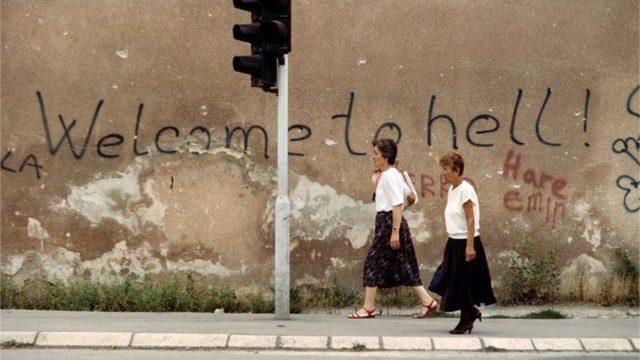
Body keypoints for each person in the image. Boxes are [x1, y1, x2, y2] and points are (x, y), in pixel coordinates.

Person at [348, 138, 438, 319]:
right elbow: (393, 197)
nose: (373, 156)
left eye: (376, 154)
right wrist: (377, 177)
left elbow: (397, 204)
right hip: (389, 222)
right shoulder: (389, 174)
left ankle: (368, 307)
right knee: (404, 263)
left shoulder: (390, 176)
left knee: (373, 262)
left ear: (386, 155)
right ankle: (428, 302)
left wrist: (394, 232)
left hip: (389, 222)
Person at [429, 152, 496, 334]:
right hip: (454, 242)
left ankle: (466, 318)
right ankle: (471, 312)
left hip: (466, 242)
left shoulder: (466, 190)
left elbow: (471, 220)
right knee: (452, 281)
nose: (443, 173)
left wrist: (469, 245)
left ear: (457, 170)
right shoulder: (453, 190)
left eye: (446, 170)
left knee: (463, 283)